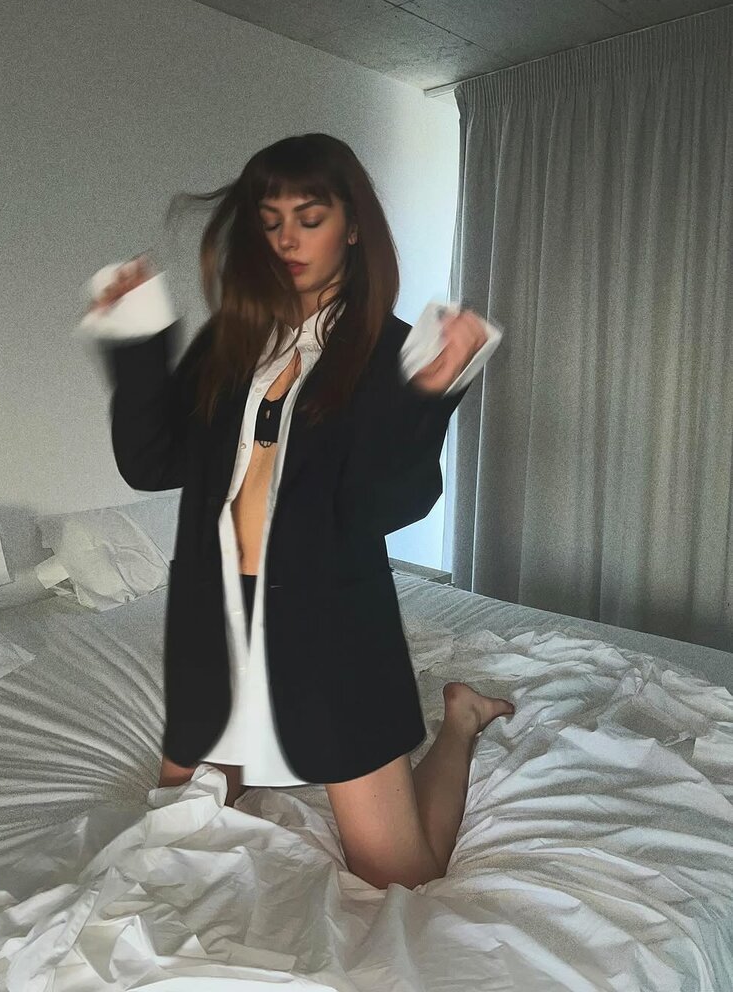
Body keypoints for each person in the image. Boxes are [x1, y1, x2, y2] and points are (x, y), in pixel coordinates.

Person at [82, 132, 514, 891]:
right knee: (179, 818)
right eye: (270, 220)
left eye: (309, 218)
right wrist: (138, 341)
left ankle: (461, 720)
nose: (286, 239)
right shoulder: (229, 341)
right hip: (215, 619)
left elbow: (394, 501)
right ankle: (258, 734)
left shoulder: (390, 350)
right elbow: (150, 463)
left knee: (401, 876)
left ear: (352, 227)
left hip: (329, 628)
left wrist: (428, 400)